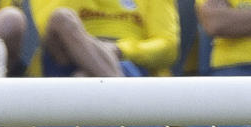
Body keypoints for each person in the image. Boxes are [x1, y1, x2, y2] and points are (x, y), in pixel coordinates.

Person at [28, 0, 176, 75]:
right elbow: (47, 24)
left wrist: (119, 50)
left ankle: (114, 87)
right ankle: (124, 98)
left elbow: (168, 47)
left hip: (130, 62)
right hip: (69, 56)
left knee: (83, 80)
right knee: (61, 18)